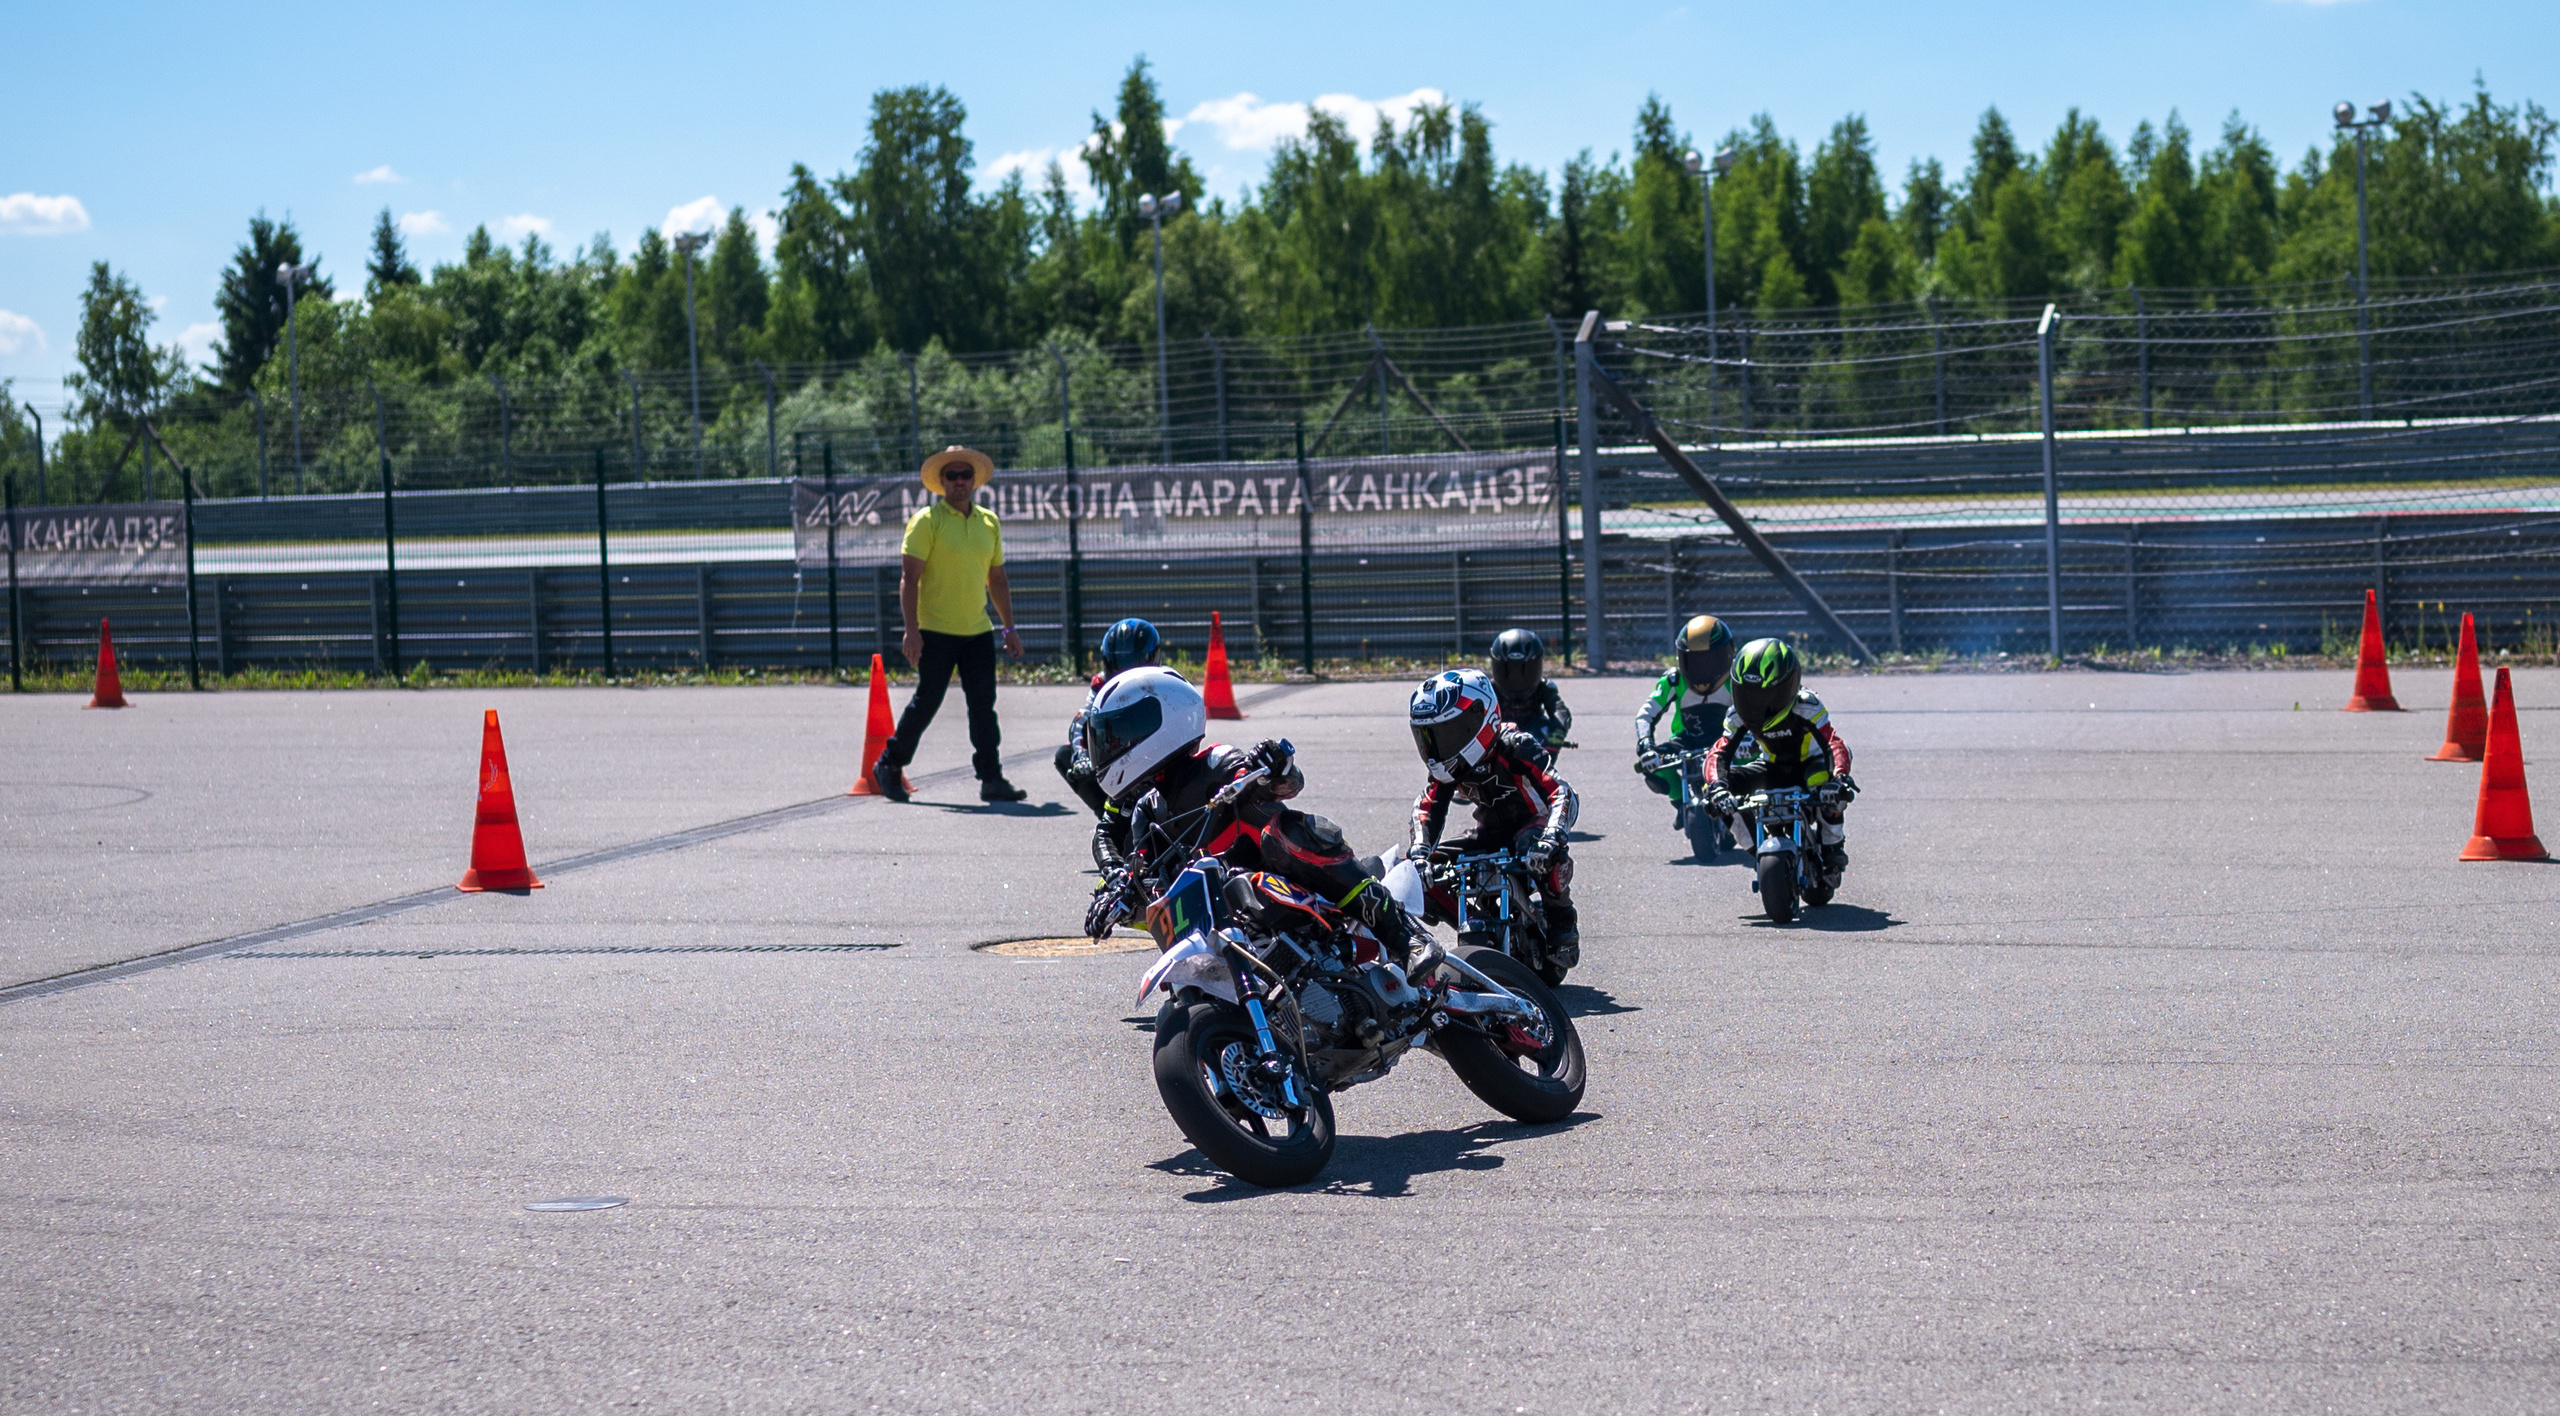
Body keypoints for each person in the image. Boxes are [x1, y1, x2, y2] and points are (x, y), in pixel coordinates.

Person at [1080, 667, 1420, 969]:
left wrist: (1275, 766)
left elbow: (1285, 785)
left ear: (1162, 720)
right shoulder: (1147, 810)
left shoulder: (1215, 763)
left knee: (1285, 830)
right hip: (1222, 918)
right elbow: (1139, 865)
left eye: (1121, 732)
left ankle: (1401, 935)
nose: (1112, 745)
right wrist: (1117, 891)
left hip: (1281, 886)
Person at [871, 446, 1028, 804]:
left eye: (965, 475)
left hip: (977, 631)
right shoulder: (927, 521)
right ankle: (889, 763)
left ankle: (991, 778)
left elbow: (998, 579)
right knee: (928, 700)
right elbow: (909, 578)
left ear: (975, 481)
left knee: (983, 705)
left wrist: (1009, 628)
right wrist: (911, 631)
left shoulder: (989, 522)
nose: (959, 481)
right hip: (935, 631)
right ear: (940, 482)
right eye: (952, 476)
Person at [1405, 669, 1580, 966]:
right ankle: (1475, 919)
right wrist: (1420, 853)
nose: (1438, 747)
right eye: (1430, 737)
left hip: (1531, 826)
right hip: (1487, 832)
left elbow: (1561, 793)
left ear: (1481, 717)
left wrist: (1552, 836)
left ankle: (1561, 916)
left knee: (1538, 848)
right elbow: (1428, 807)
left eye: (1447, 734)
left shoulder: (1516, 745)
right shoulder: (1447, 770)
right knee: (1414, 875)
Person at [1701, 637, 1857, 889]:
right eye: (1747, 694)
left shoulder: (1807, 706)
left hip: (1810, 765)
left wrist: (1840, 778)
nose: (1755, 704)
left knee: (1828, 785)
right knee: (1716, 794)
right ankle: (1757, 849)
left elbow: (1833, 743)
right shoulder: (1736, 716)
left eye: (1766, 694)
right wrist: (1718, 787)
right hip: (1772, 768)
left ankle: (1832, 844)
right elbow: (1719, 753)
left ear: (1790, 684)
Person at [1636, 615, 1738, 833]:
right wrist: (1646, 744)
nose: (1703, 671)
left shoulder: (1735, 680)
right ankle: (1681, 803)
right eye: (1695, 662)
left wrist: (1749, 740)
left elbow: (1752, 714)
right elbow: (1646, 714)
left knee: (1757, 759)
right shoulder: (1673, 680)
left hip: (1728, 740)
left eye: (1710, 661)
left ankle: (1746, 808)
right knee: (1652, 767)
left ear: (1728, 655)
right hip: (1686, 740)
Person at [1056, 617, 1162, 823]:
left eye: (1133, 662)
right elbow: (1080, 723)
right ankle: (1109, 818)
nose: (1126, 671)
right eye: (1120, 663)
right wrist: (1083, 756)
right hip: (1118, 753)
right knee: (1065, 755)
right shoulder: (1101, 685)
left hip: (1156, 755)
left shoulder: (1164, 681)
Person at [1486, 628, 1572, 759]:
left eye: (1523, 671)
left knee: (1545, 728)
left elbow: (1559, 711)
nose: (1517, 678)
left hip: (1534, 739)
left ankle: (1542, 776)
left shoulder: (1544, 688)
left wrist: (1557, 734)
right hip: (1498, 737)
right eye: (1511, 670)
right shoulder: (1488, 690)